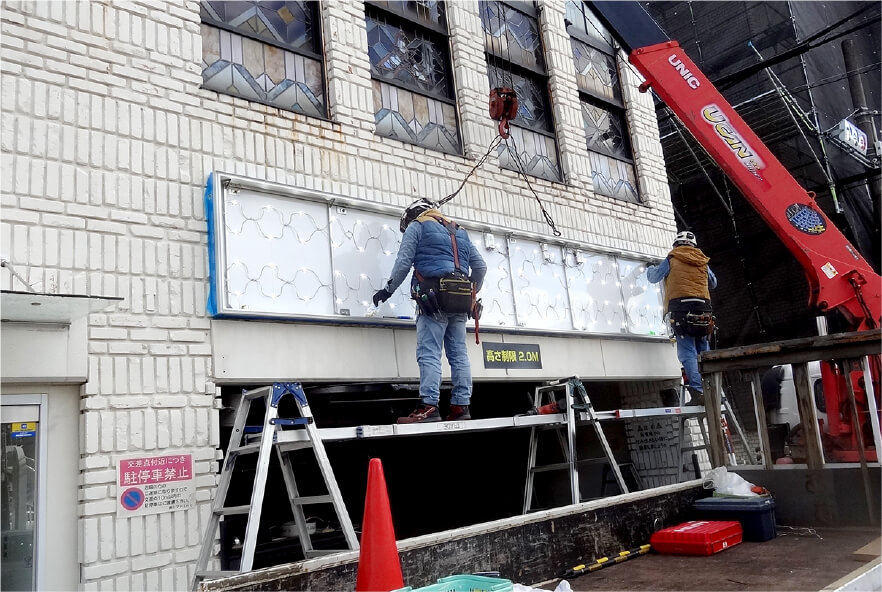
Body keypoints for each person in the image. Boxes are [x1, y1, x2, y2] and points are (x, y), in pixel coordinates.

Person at [373, 199, 487, 423]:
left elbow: (404, 263)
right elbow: (481, 267)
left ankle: (429, 407)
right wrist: (472, 293)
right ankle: (461, 407)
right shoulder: (460, 232)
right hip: (461, 302)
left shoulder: (418, 226)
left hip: (433, 300)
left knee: (429, 352)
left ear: (413, 215)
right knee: (459, 354)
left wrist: (387, 291)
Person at [647, 231, 717, 406]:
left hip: (681, 310)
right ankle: (713, 390)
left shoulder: (672, 258)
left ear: (676, 244)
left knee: (688, 353)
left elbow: (653, 278)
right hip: (703, 309)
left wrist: (649, 268)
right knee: (704, 352)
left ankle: (699, 392)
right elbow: (714, 283)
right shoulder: (703, 261)